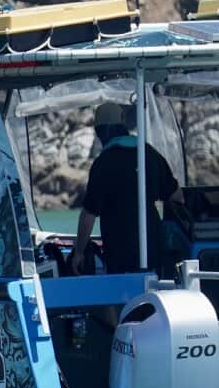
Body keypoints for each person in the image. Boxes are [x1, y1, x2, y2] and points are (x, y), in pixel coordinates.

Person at [70, 103, 182, 276]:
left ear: (99, 132)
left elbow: (88, 215)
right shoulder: (149, 154)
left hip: (119, 252)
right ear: (123, 124)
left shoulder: (103, 163)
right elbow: (176, 196)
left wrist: (79, 252)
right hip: (154, 248)